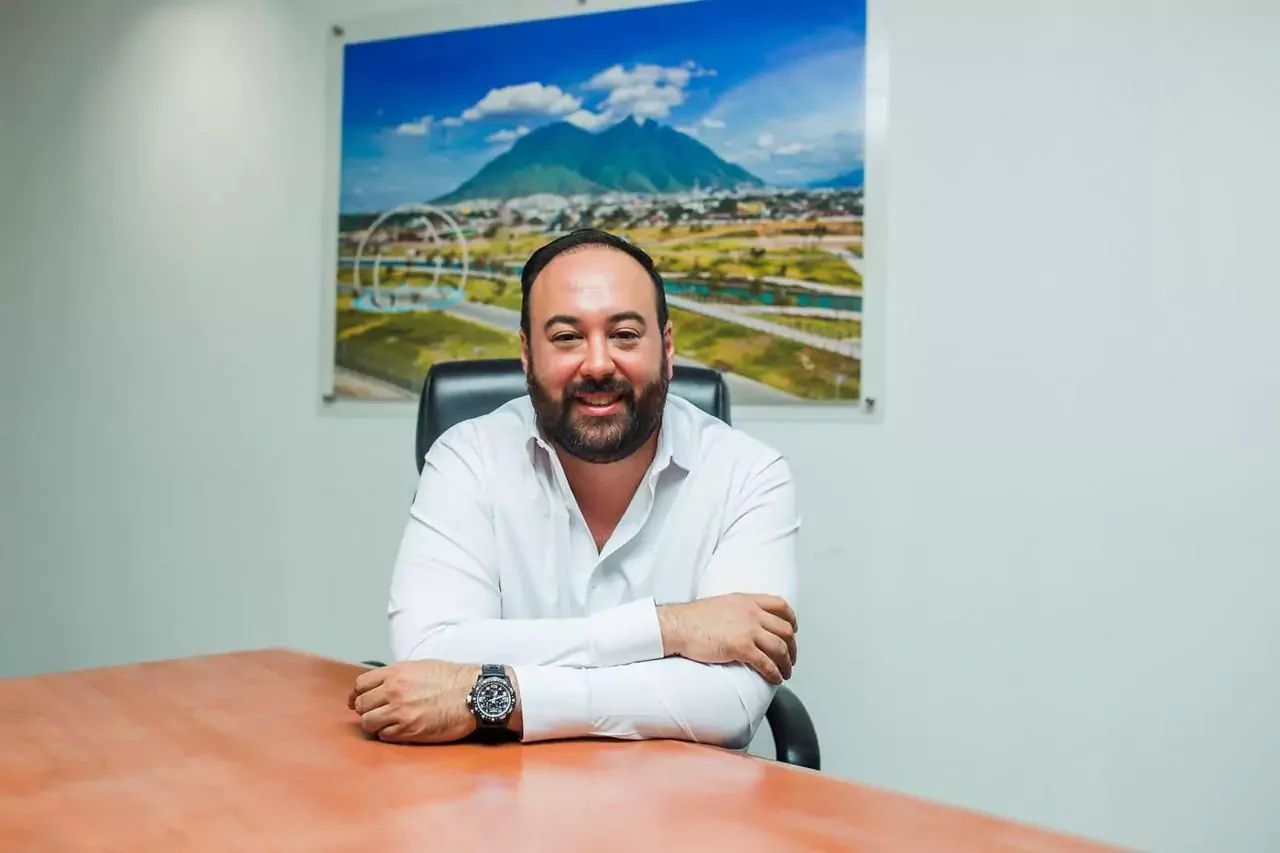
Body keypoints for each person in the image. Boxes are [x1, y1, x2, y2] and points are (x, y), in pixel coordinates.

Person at [348, 228, 800, 749]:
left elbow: (730, 705)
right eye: (567, 337)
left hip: (680, 803)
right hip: (492, 795)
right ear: (526, 354)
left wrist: (501, 695)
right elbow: (430, 651)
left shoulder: (749, 475)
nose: (599, 363)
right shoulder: (467, 457)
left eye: (625, 334)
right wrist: (668, 628)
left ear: (667, 347)